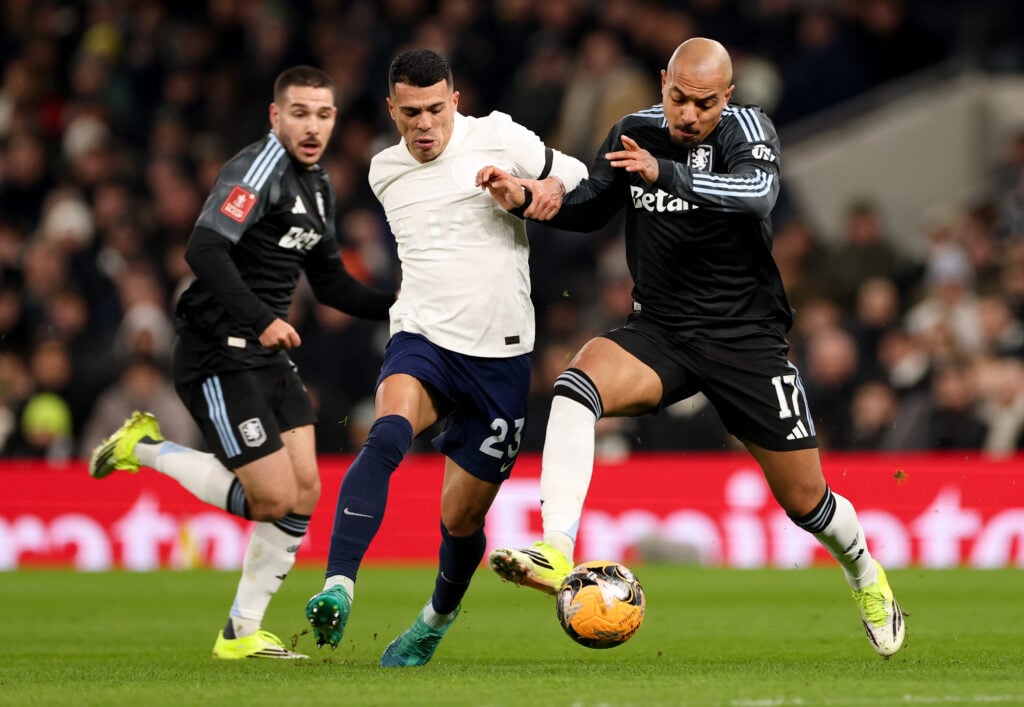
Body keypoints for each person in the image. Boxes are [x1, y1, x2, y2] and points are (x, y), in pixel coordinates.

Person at [479, 37, 906, 658]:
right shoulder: (633, 131)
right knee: (577, 385)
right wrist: (526, 198)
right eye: (678, 97)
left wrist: (668, 173)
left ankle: (866, 574)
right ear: (662, 83)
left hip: (745, 339)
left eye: (704, 103)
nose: (687, 114)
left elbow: (757, 195)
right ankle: (555, 547)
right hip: (661, 332)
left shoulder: (748, 131)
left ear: (727, 98)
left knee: (806, 502)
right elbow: (593, 205)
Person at [88, 66, 395, 659]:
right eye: (299, 113)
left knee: (305, 491)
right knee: (273, 500)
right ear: (275, 116)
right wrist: (262, 318)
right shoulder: (259, 169)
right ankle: (142, 448)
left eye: (324, 114)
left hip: (265, 353)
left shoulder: (320, 186)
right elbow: (203, 247)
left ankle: (240, 632)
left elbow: (331, 284)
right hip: (215, 350)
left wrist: (403, 306)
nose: (312, 126)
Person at [303, 49, 587, 667]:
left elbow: (580, 176)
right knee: (385, 435)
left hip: (503, 357)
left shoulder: (500, 136)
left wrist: (534, 189)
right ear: (391, 110)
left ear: (455, 101)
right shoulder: (384, 171)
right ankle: (337, 585)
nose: (425, 124)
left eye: (436, 108)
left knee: (460, 521)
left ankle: (436, 618)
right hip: (424, 337)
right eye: (411, 113)